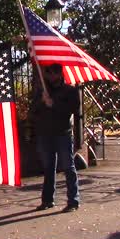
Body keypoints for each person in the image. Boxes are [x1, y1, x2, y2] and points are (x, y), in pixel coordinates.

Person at [31, 63, 81, 212]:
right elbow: (33, 110)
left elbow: (73, 109)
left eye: (53, 73)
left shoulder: (70, 91)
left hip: (62, 133)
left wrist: (54, 104)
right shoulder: (43, 90)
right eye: (48, 73)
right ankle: (47, 200)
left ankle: (73, 201)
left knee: (68, 167)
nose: (50, 76)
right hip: (45, 134)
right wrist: (42, 101)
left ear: (59, 74)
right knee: (48, 168)